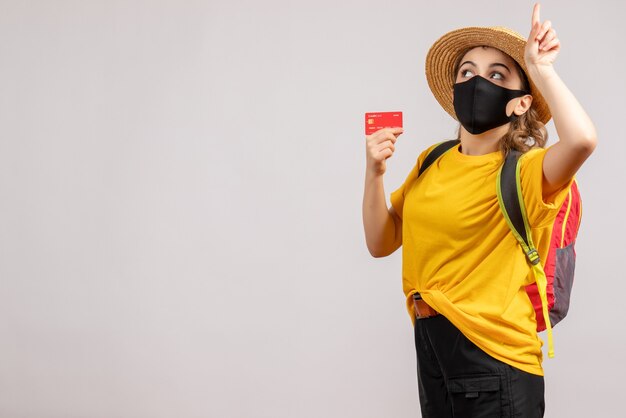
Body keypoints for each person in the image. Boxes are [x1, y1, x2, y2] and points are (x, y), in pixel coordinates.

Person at [361, 4, 597, 417]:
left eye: (496, 75)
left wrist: (540, 70)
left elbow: (581, 141)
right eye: (466, 72)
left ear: (520, 104)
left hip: (496, 358)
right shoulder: (431, 161)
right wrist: (375, 172)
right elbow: (380, 243)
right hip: (432, 349)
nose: (476, 82)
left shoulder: (526, 172)